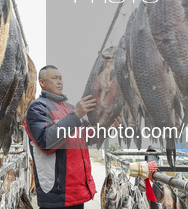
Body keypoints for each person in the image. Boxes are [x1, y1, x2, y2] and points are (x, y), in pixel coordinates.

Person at [26, 65, 121, 209]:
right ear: (42, 83)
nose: (59, 82)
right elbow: (46, 142)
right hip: (57, 195)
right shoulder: (37, 108)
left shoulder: (69, 108)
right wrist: (76, 115)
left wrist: (108, 128)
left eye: (61, 78)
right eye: (54, 78)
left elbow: (86, 137)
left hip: (77, 193)